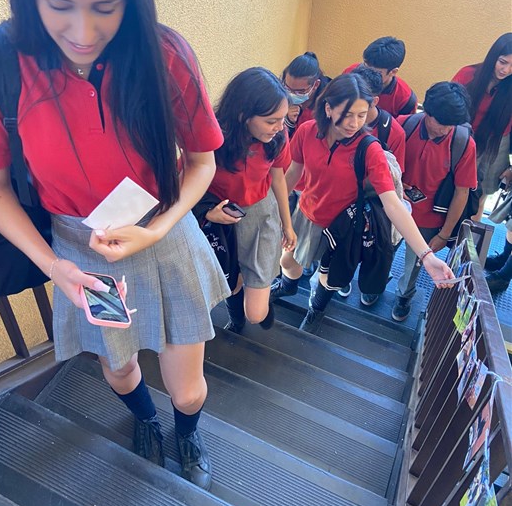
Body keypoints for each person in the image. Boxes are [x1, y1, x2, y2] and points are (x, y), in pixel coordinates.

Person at [0, 0, 232, 491]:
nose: (84, 32)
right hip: (82, 254)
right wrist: (54, 265)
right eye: (58, 4)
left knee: (188, 385)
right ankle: (143, 420)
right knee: (118, 369)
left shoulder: (164, 55)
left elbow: (202, 162)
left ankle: (187, 434)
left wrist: (159, 230)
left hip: (163, 236)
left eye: (105, 6)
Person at [270, 73, 455, 333]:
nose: (354, 123)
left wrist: (427, 256)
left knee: (329, 278)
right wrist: (275, 214)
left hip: (344, 227)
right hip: (307, 214)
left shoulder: (369, 150)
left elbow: (393, 204)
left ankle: (316, 310)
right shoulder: (307, 131)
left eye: (361, 114)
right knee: (288, 261)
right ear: (328, 108)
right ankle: (288, 286)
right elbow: (292, 175)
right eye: (347, 114)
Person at [197, 67, 296, 333]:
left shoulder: (277, 138)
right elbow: (188, 179)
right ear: (243, 115)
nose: (280, 127)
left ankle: (259, 304)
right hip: (222, 215)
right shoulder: (213, 137)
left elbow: (278, 178)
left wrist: (287, 224)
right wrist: (208, 213)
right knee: (231, 282)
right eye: (272, 120)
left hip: (260, 215)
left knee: (256, 313)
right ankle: (235, 320)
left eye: (283, 119)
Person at [392, 82, 477, 321]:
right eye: (442, 123)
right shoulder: (403, 125)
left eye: (452, 125)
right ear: (427, 113)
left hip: (430, 220)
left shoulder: (463, 144)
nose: (446, 130)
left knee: (416, 264)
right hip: (394, 208)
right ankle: (373, 286)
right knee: (383, 251)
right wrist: (396, 185)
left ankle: (403, 296)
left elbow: (462, 192)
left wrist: (444, 234)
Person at [452, 33, 512, 220]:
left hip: (494, 145)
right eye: (502, 62)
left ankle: (469, 233)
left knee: (479, 196)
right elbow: (448, 106)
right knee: (451, 189)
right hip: (461, 138)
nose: (506, 70)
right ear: (493, 56)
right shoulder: (468, 74)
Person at [343, 36, 417, 117]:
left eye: (376, 72)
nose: (367, 73)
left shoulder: (405, 100)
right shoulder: (350, 73)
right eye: (365, 66)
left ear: (393, 72)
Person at [281, 52, 329, 138]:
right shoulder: (279, 93)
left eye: (300, 91)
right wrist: (288, 121)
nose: (292, 94)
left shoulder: (326, 106)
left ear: (316, 85)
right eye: (288, 88)